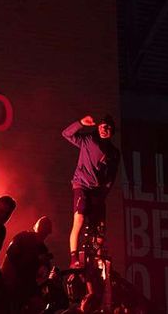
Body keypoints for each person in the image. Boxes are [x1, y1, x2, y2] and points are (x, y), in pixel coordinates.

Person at [62, 114, 120, 269]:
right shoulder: (88, 140)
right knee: (79, 220)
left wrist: (103, 195)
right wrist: (81, 123)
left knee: (100, 229)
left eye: (107, 128)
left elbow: (111, 178)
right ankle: (73, 257)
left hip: (97, 192)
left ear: (112, 131)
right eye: (101, 126)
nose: (104, 129)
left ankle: (99, 258)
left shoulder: (114, 153)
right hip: (81, 185)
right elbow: (66, 134)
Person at [0, 216, 53, 314]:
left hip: (25, 289)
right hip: (13, 285)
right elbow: (11, 258)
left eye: (46, 226)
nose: (44, 229)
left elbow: (41, 274)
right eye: (43, 225)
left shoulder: (42, 250)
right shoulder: (23, 238)